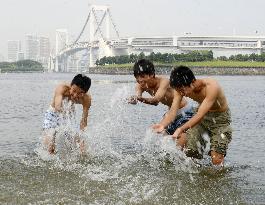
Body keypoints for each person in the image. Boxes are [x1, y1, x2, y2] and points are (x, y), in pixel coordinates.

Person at [153, 65, 232, 165]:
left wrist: (180, 129)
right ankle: (198, 176)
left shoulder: (211, 86)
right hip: (200, 119)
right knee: (191, 152)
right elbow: (173, 111)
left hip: (219, 120)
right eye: (179, 90)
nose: (182, 93)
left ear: (192, 82)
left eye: (182, 90)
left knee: (216, 159)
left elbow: (199, 116)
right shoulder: (179, 90)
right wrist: (163, 125)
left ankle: (217, 177)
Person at [128, 59, 193, 135]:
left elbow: (156, 100)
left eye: (142, 76)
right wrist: (134, 99)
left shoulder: (163, 82)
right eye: (137, 78)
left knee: (180, 138)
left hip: (185, 111)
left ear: (151, 74)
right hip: (171, 113)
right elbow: (138, 96)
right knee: (165, 137)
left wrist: (140, 99)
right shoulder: (140, 85)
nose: (140, 80)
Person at [42, 74, 92, 154]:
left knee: (80, 147)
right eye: (74, 90)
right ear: (71, 85)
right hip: (52, 115)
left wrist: (81, 135)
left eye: (80, 93)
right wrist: (66, 113)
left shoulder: (86, 99)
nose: (75, 95)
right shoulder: (62, 88)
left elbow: (84, 120)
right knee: (50, 148)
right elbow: (57, 106)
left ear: (85, 92)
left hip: (68, 117)